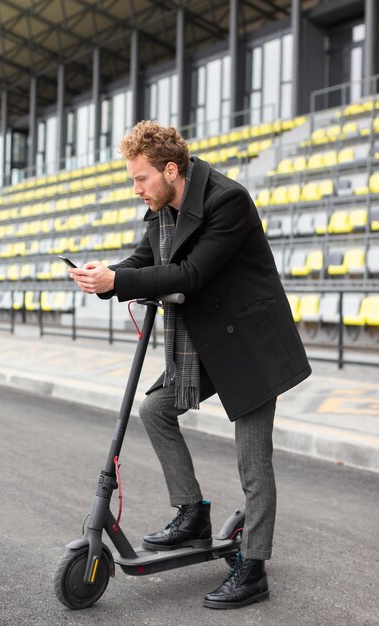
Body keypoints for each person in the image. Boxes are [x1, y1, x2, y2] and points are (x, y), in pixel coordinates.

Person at [69, 120, 311, 609]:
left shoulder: (227, 200)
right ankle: (191, 513)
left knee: (253, 462)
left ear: (171, 169)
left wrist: (119, 281)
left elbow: (192, 274)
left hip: (250, 344)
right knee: (155, 409)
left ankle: (254, 567)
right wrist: (105, 273)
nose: (135, 188)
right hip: (203, 340)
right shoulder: (161, 209)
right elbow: (141, 262)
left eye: (141, 178)